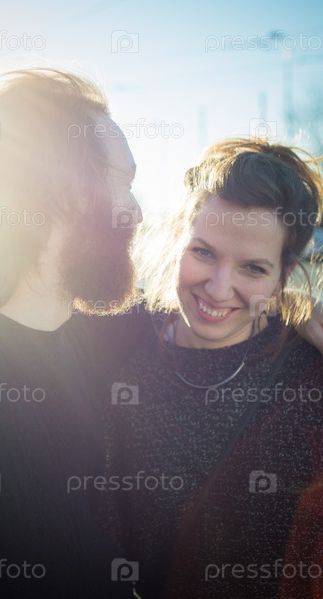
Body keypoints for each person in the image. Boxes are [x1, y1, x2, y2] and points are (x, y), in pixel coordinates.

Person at [0, 67, 146, 599]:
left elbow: (212, 309)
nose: (137, 212)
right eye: (124, 182)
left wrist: (295, 310)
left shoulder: (89, 337)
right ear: (60, 192)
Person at [100, 138, 323, 599]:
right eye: (203, 253)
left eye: (253, 269)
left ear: (283, 277)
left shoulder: (309, 374)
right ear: (176, 239)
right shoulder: (114, 346)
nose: (219, 290)